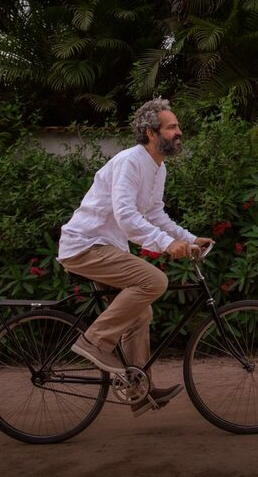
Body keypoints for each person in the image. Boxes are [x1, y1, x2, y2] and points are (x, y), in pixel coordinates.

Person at [58, 98, 214, 417]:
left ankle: (137, 390)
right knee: (154, 280)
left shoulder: (158, 167)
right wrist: (166, 244)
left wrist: (187, 239)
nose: (179, 132)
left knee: (140, 313)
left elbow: (155, 214)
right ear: (150, 133)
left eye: (178, 127)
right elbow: (126, 216)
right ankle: (94, 341)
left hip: (106, 247)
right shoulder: (130, 161)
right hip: (86, 245)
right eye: (171, 127)